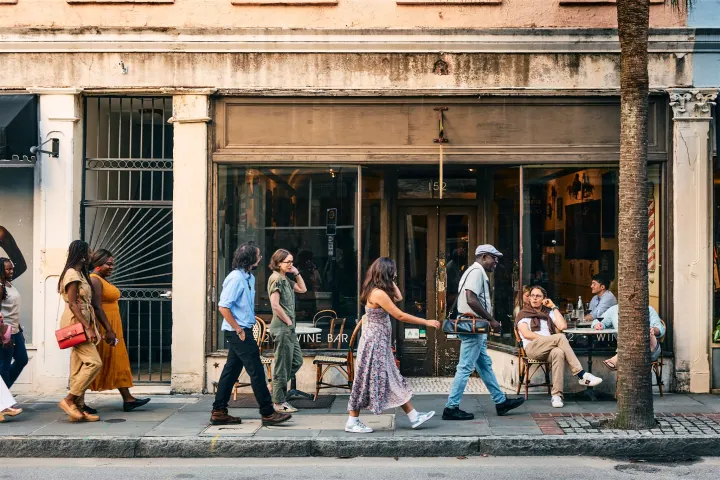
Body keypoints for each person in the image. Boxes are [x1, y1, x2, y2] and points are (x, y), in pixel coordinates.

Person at [346, 257, 439, 434]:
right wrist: (426, 322)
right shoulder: (378, 293)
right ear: (386, 272)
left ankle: (414, 416)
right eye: (393, 271)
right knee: (364, 380)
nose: (396, 273)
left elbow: (399, 296)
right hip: (375, 344)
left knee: (392, 378)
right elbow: (400, 315)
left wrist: (392, 281)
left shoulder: (379, 290)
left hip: (378, 342)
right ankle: (352, 421)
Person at [210, 243, 292, 426]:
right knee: (257, 371)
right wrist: (238, 329)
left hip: (243, 330)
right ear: (249, 259)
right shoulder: (235, 278)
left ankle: (218, 411)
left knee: (230, 372)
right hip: (237, 332)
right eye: (258, 255)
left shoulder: (249, 277)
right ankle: (268, 413)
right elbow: (223, 307)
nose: (260, 258)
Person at [444, 245, 525, 421]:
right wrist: (491, 320)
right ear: (483, 256)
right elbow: (470, 298)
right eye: (493, 258)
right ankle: (451, 407)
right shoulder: (476, 272)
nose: (496, 262)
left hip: (474, 327)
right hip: (474, 327)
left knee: (484, 365)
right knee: (465, 367)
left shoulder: (473, 271)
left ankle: (501, 401)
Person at [516, 286, 603, 408]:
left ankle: (556, 395)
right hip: (533, 348)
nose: (535, 298)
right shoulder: (523, 314)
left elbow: (562, 326)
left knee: (559, 352)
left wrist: (554, 307)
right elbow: (527, 334)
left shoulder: (548, 312)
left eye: (538, 296)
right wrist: (549, 340)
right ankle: (581, 374)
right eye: (532, 296)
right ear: (529, 298)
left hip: (549, 348)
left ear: (544, 299)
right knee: (560, 338)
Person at [88, 249, 151, 412]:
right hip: (105, 326)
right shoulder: (95, 280)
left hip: (112, 325)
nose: (111, 267)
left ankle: (128, 398)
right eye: (108, 264)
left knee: (117, 360)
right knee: (99, 362)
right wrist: (108, 330)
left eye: (113, 264)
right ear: (98, 264)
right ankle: (75, 398)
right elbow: (96, 306)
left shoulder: (102, 279)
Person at [57, 240, 106, 422]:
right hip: (75, 325)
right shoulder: (71, 274)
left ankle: (76, 408)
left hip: (82, 322)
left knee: (78, 366)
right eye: (90, 251)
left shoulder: (80, 274)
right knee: (94, 363)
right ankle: (69, 400)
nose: (92, 254)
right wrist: (88, 328)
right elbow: (73, 304)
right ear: (82, 253)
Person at [268, 249, 307, 414]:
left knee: (297, 361)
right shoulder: (276, 279)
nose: (290, 264)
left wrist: (296, 273)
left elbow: (302, 289)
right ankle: (278, 402)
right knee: (282, 366)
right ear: (278, 263)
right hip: (283, 328)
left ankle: (274, 387)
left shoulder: (285, 278)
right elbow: (275, 304)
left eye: (291, 261)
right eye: (287, 262)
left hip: (289, 329)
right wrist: (288, 320)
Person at [593, 304, 665, 370]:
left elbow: (660, 328)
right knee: (630, 336)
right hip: (627, 350)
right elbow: (598, 321)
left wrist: (653, 330)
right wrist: (598, 324)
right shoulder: (614, 310)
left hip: (649, 350)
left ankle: (617, 359)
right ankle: (620, 356)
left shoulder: (648, 309)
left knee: (645, 331)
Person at [0, 225, 29, 388]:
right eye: (8, 269)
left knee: (22, 359)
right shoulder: (0, 286)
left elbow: (22, 266)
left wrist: (19, 330)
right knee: (3, 366)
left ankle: (3, 398)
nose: (12, 271)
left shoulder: (8, 285)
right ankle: (3, 401)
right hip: (5, 331)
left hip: (15, 330)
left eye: (12, 268)